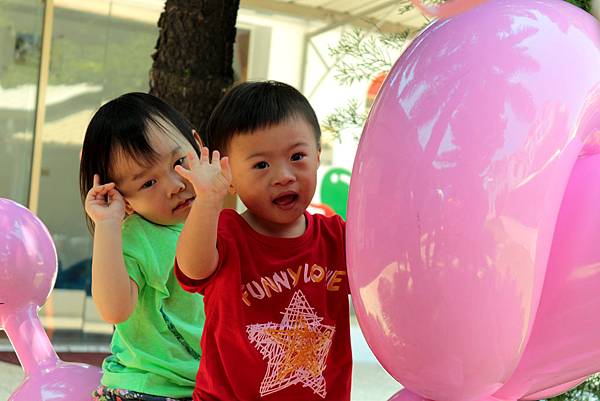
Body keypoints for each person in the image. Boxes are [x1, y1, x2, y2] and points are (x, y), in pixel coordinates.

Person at [174, 81, 351, 400]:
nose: (284, 175)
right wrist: (206, 202)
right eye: (261, 164)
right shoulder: (225, 232)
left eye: (297, 156)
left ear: (318, 156)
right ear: (228, 175)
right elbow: (193, 270)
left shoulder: (336, 236)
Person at [79, 92, 205, 401]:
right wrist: (108, 225)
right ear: (125, 200)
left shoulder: (220, 222)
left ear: (198, 145)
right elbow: (115, 309)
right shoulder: (136, 236)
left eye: (178, 162)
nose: (175, 185)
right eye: (148, 183)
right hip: (144, 388)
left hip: (209, 387)